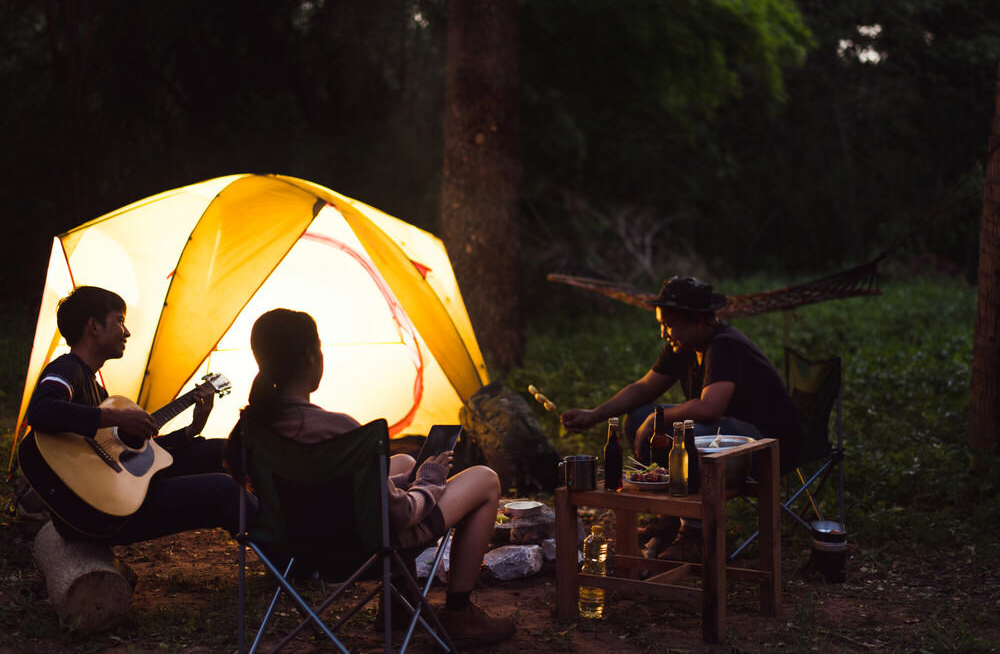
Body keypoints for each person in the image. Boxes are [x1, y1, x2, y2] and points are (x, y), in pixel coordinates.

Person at [227, 308, 515, 648]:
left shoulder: (252, 430)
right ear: (310, 356)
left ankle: (398, 606)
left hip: (294, 545)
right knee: (485, 478)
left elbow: (320, 491)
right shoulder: (340, 431)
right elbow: (401, 515)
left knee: (404, 460)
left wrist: (408, 476)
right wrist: (430, 479)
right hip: (364, 548)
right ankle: (459, 613)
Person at [561, 276, 802, 561]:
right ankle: (667, 518)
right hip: (726, 436)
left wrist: (657, 418)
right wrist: (595, 415)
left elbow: (710, 408)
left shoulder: (725, 345)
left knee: (687, 433)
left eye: (670, 325)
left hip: (767, 445)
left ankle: (694, 533)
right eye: (662, 324)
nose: (664, 333)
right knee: (637, 416)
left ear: (700, 320)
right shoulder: (683, 345)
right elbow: (645, 388)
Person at [24, 285, 256, 543]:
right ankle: (291, 556)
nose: (127, 332)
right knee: (225, 490)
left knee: (222, 451)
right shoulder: (68, 369)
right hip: (98, 512)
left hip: (115, 495)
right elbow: (41, 410)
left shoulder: (98, 391)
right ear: (94, 326)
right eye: (120, 321)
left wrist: (192, 430)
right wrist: (119, 418)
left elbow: (142, 457)